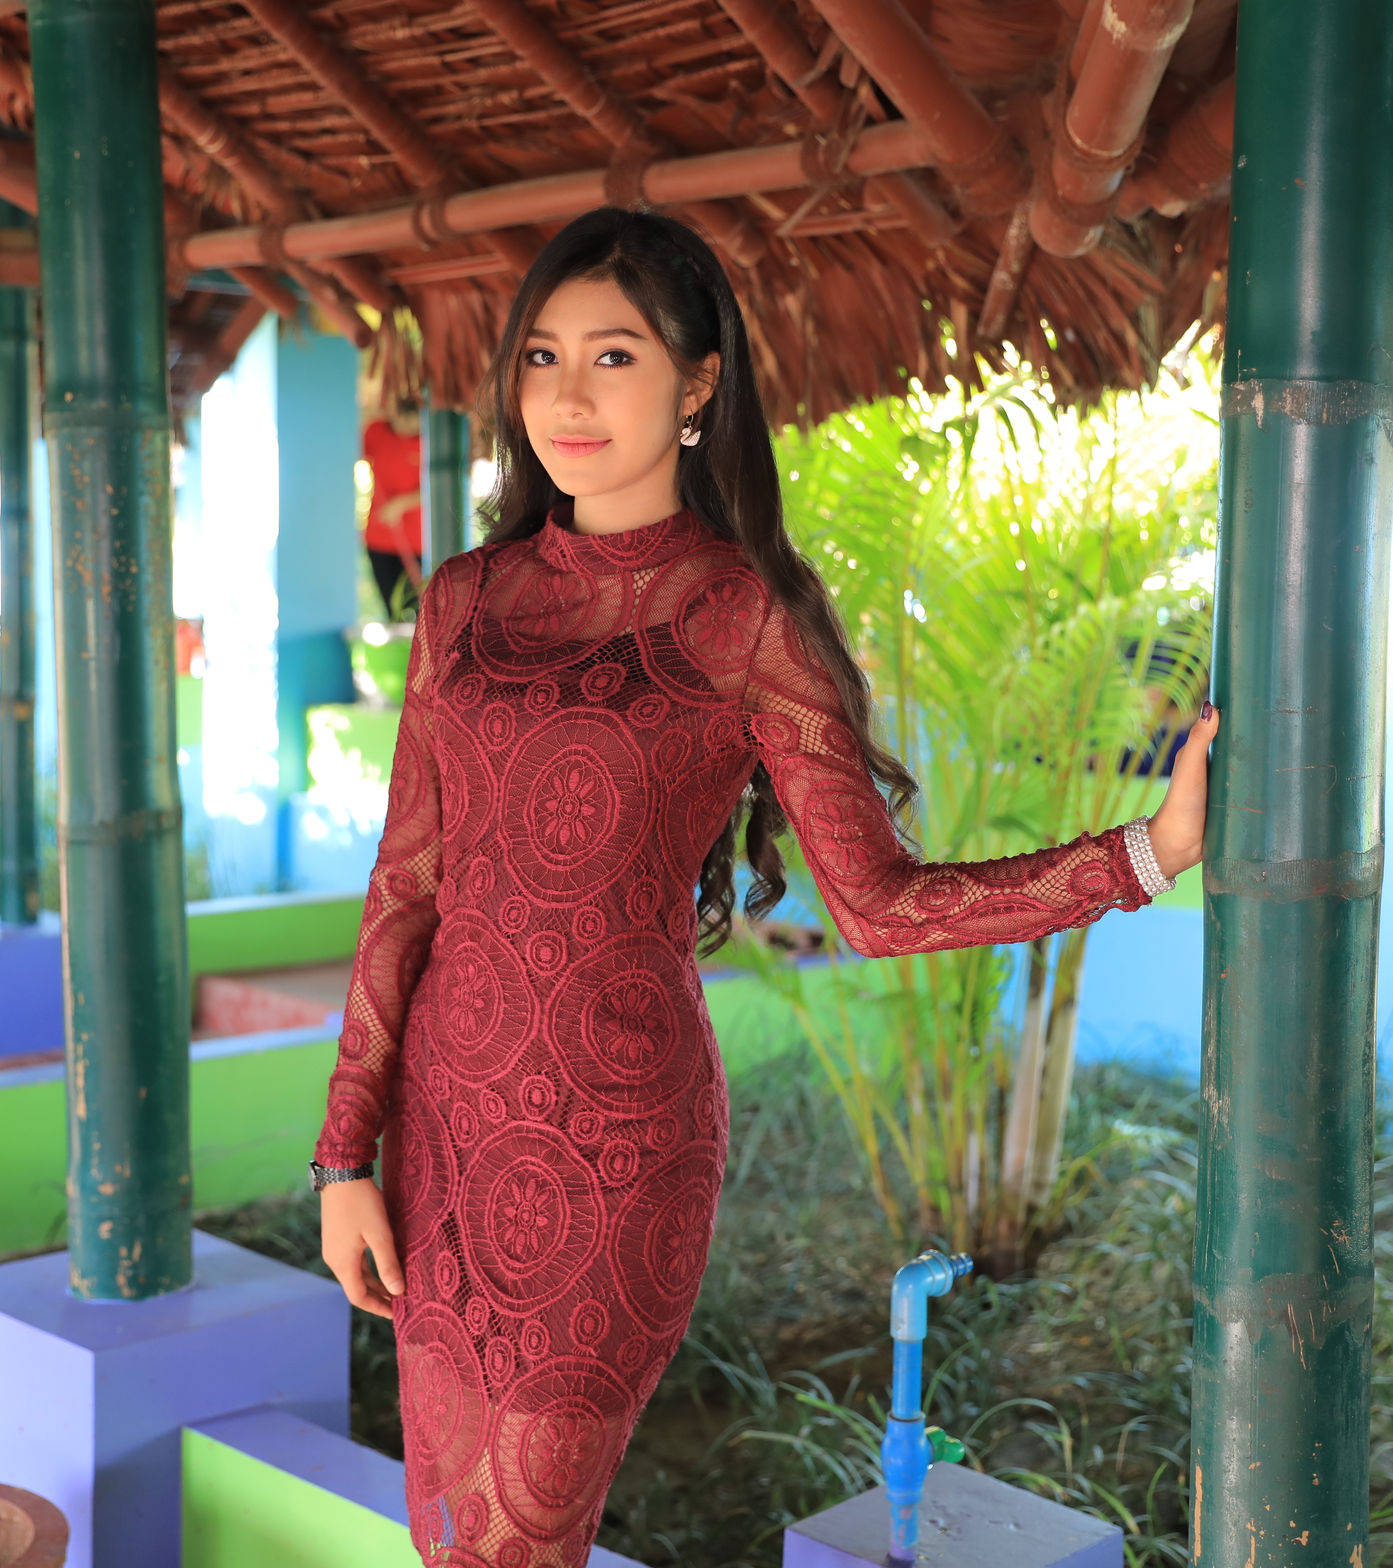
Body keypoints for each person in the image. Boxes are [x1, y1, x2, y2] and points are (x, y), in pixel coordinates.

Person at [310, 207, 1217, 1568]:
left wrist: (1143, 856)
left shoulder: (744, 619)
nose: (567, 395)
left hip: (616, 1148)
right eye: (543, 356)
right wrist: (343, 1156)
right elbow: (406, 887)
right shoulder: (464, 601)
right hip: (446, 1130)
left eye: (613, 356)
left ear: (699, 385)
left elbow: (878, 905)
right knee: (453, 1545)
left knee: (518, 1541)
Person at [364, 403, 425, 615]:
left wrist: (402, 503)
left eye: (413, 422)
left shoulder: (432, 441)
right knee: (393, 610)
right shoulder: (376, 430)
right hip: (379, 537)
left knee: (421, 609)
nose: (407, 427)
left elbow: (441, 487)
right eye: (403, 420)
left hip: (419, 541)